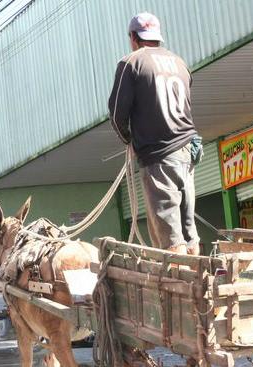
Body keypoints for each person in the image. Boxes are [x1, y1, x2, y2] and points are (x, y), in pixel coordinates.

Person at [108, 12, 203, 255]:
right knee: (189, 235)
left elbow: (117, 114)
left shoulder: (131, 63)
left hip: (159, 155)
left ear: (133, 37)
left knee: (171, 240)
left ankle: (179, 277)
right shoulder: (180, 63)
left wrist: (129, 140)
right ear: (158, 36)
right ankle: (198, 274)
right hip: (188, 151)